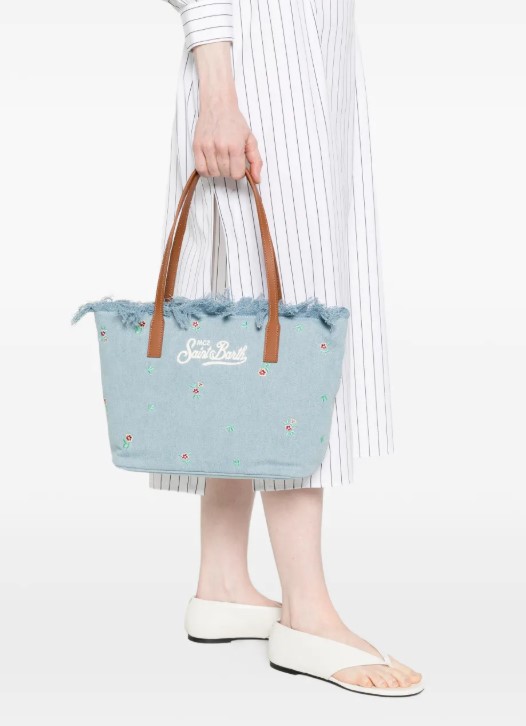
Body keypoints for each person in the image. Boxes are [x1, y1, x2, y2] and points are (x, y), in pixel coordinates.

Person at [153, 0, 424, 697]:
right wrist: (219, 89)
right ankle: (307, 610)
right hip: (261, 73)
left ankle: (223, 580)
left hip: (310, 64)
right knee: (291, 332)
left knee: (241, 320)